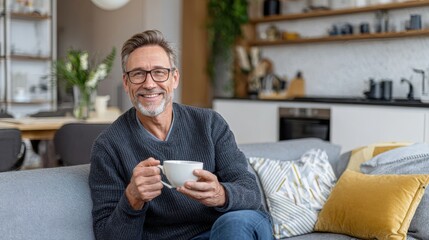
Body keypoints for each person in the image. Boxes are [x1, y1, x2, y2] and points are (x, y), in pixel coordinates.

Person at [88, 29, 273, 240]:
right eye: (138, 74)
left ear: (174, 78)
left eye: (159, 72)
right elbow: (107, 236)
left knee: (234, 224)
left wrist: (221, 194)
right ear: (126, 82)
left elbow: (250, 192)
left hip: (229, 229)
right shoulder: (108, 146)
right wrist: (132, 199)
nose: (149, 84)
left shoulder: (210, 124)